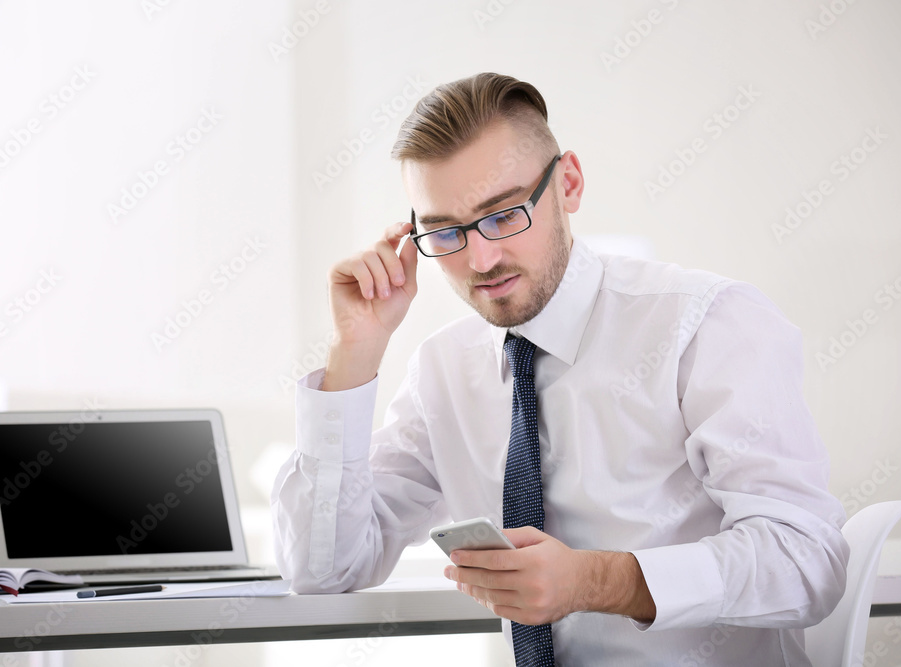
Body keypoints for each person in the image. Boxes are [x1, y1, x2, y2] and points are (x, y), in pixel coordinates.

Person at [272, 72, 848, 665]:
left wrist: (594, 582)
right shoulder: (444, 370)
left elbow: (806, 561)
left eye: (503, 215)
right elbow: (325, 568)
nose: (481, 259)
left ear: (567, 183)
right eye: (445, 232)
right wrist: (355, 350)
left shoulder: (705, 325)